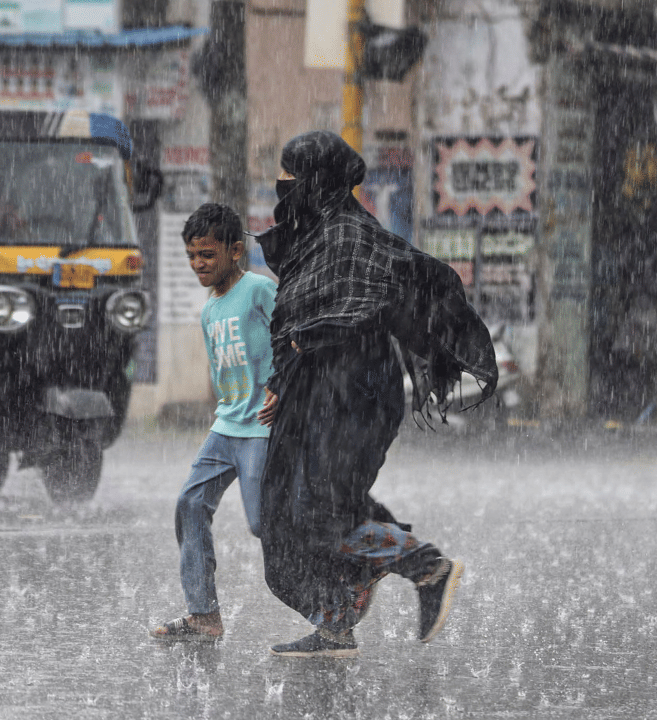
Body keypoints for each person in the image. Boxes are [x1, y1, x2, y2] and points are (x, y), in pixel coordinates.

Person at [255, 131, 498, 658]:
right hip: (316, 393)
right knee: (290, 512)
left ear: (316, 179)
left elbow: (350, 307)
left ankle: (427, 567)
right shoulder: (315, 237)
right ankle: (336, 622)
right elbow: (297, 322)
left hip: (354, 395)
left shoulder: (348, 236)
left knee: (321, 513)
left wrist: (310, 337)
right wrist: (282, 381)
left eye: (292, 174)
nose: (285, 185)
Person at [150, 203, 277, 642]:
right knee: (189, 506)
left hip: (261, 426)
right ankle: (204, 615)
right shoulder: (209, 309)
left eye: (207, 254)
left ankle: (335, 592)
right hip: (226, 428)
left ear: (236, 251)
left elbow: (294, 338)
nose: (198, 264)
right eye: (191, 256)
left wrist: (282, 387)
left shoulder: (260, 290)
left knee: (263, 522)